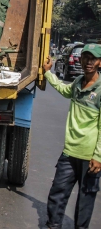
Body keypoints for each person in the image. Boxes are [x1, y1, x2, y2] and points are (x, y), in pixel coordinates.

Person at [42, 44, 101, 229]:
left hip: (89, 155)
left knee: (85, 199)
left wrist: (98, 156)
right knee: (57, 192)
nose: (88, 62)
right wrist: (48, 73)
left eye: (93, 59)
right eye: (85, 57)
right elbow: (63, 89)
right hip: (70, 152)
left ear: (99, 62)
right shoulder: (77, 82)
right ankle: (53, 225)